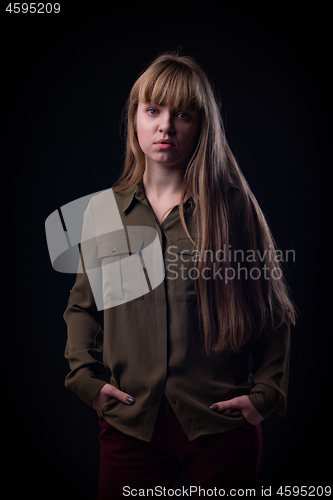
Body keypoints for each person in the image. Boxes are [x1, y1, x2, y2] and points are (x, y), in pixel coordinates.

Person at [64, 52, 295, 499]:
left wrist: (265, 397)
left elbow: (273, 311)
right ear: (135, 118)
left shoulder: (234, 209)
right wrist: (85, 382)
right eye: (153, 111)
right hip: (131, 425)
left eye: (182, 114)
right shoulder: (104, 212)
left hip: (218, 424)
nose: (166, 126)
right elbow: (82, 307)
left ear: (201, 126)